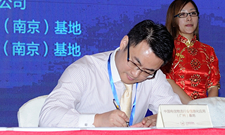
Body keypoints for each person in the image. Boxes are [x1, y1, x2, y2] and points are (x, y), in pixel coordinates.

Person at [39, 19, 182, 128]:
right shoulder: (84, 70)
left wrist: (162, 119)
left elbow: (180, 115)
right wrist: (97, 120)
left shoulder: (154, 76)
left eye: (147, 71)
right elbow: (48, 116)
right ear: (124, 43)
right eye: (134, 63)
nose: (136, 74)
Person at [161, 0, 220, 104]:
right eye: (182, 14)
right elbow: (168, 80)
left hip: (204, 109)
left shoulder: (208, 51)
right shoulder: (167, 48)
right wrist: (193, 106)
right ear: (173, 21)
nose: (189, 18)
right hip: (176, 108)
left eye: (192, 13)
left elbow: (213, 86)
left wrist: (208, 108)